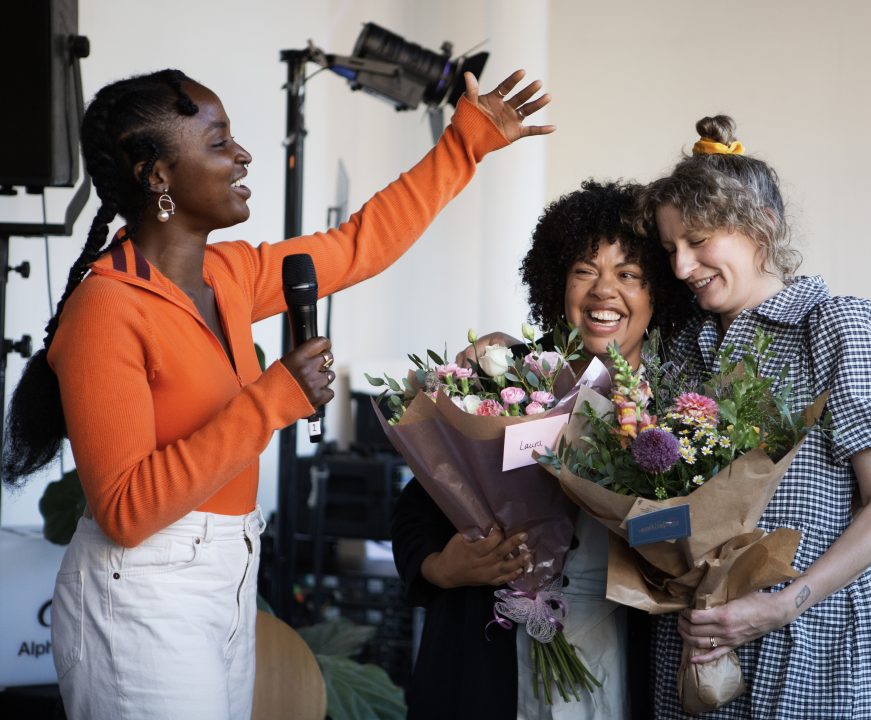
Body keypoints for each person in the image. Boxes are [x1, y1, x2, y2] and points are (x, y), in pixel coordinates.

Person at [2, 65, 552, 720]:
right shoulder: (107, 308)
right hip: (142, 592)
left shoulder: (229, 275)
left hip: (228, 576)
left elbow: (361, 244)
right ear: (158, 176)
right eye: (218, 142)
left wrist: (466, 141)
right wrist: (270, 401)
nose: (242, 155)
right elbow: (125, 511)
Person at [632, 114, 871, 719]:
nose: (681, 267)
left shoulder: (834, 326)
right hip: (696, 648)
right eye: (671, 248)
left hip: (811, 650)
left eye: (698, 241)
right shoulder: (678, 350)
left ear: (761, 226)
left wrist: (783, 605)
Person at [391, 179, 693, 719]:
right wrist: (442, 567)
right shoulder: (508, 381)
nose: (604, 291)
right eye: (585, 271)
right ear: (557, 283)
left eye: (628, 274)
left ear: (659, 294)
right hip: (488, 650)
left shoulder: (682, 408)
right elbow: (423, 498)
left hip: (618, 651)